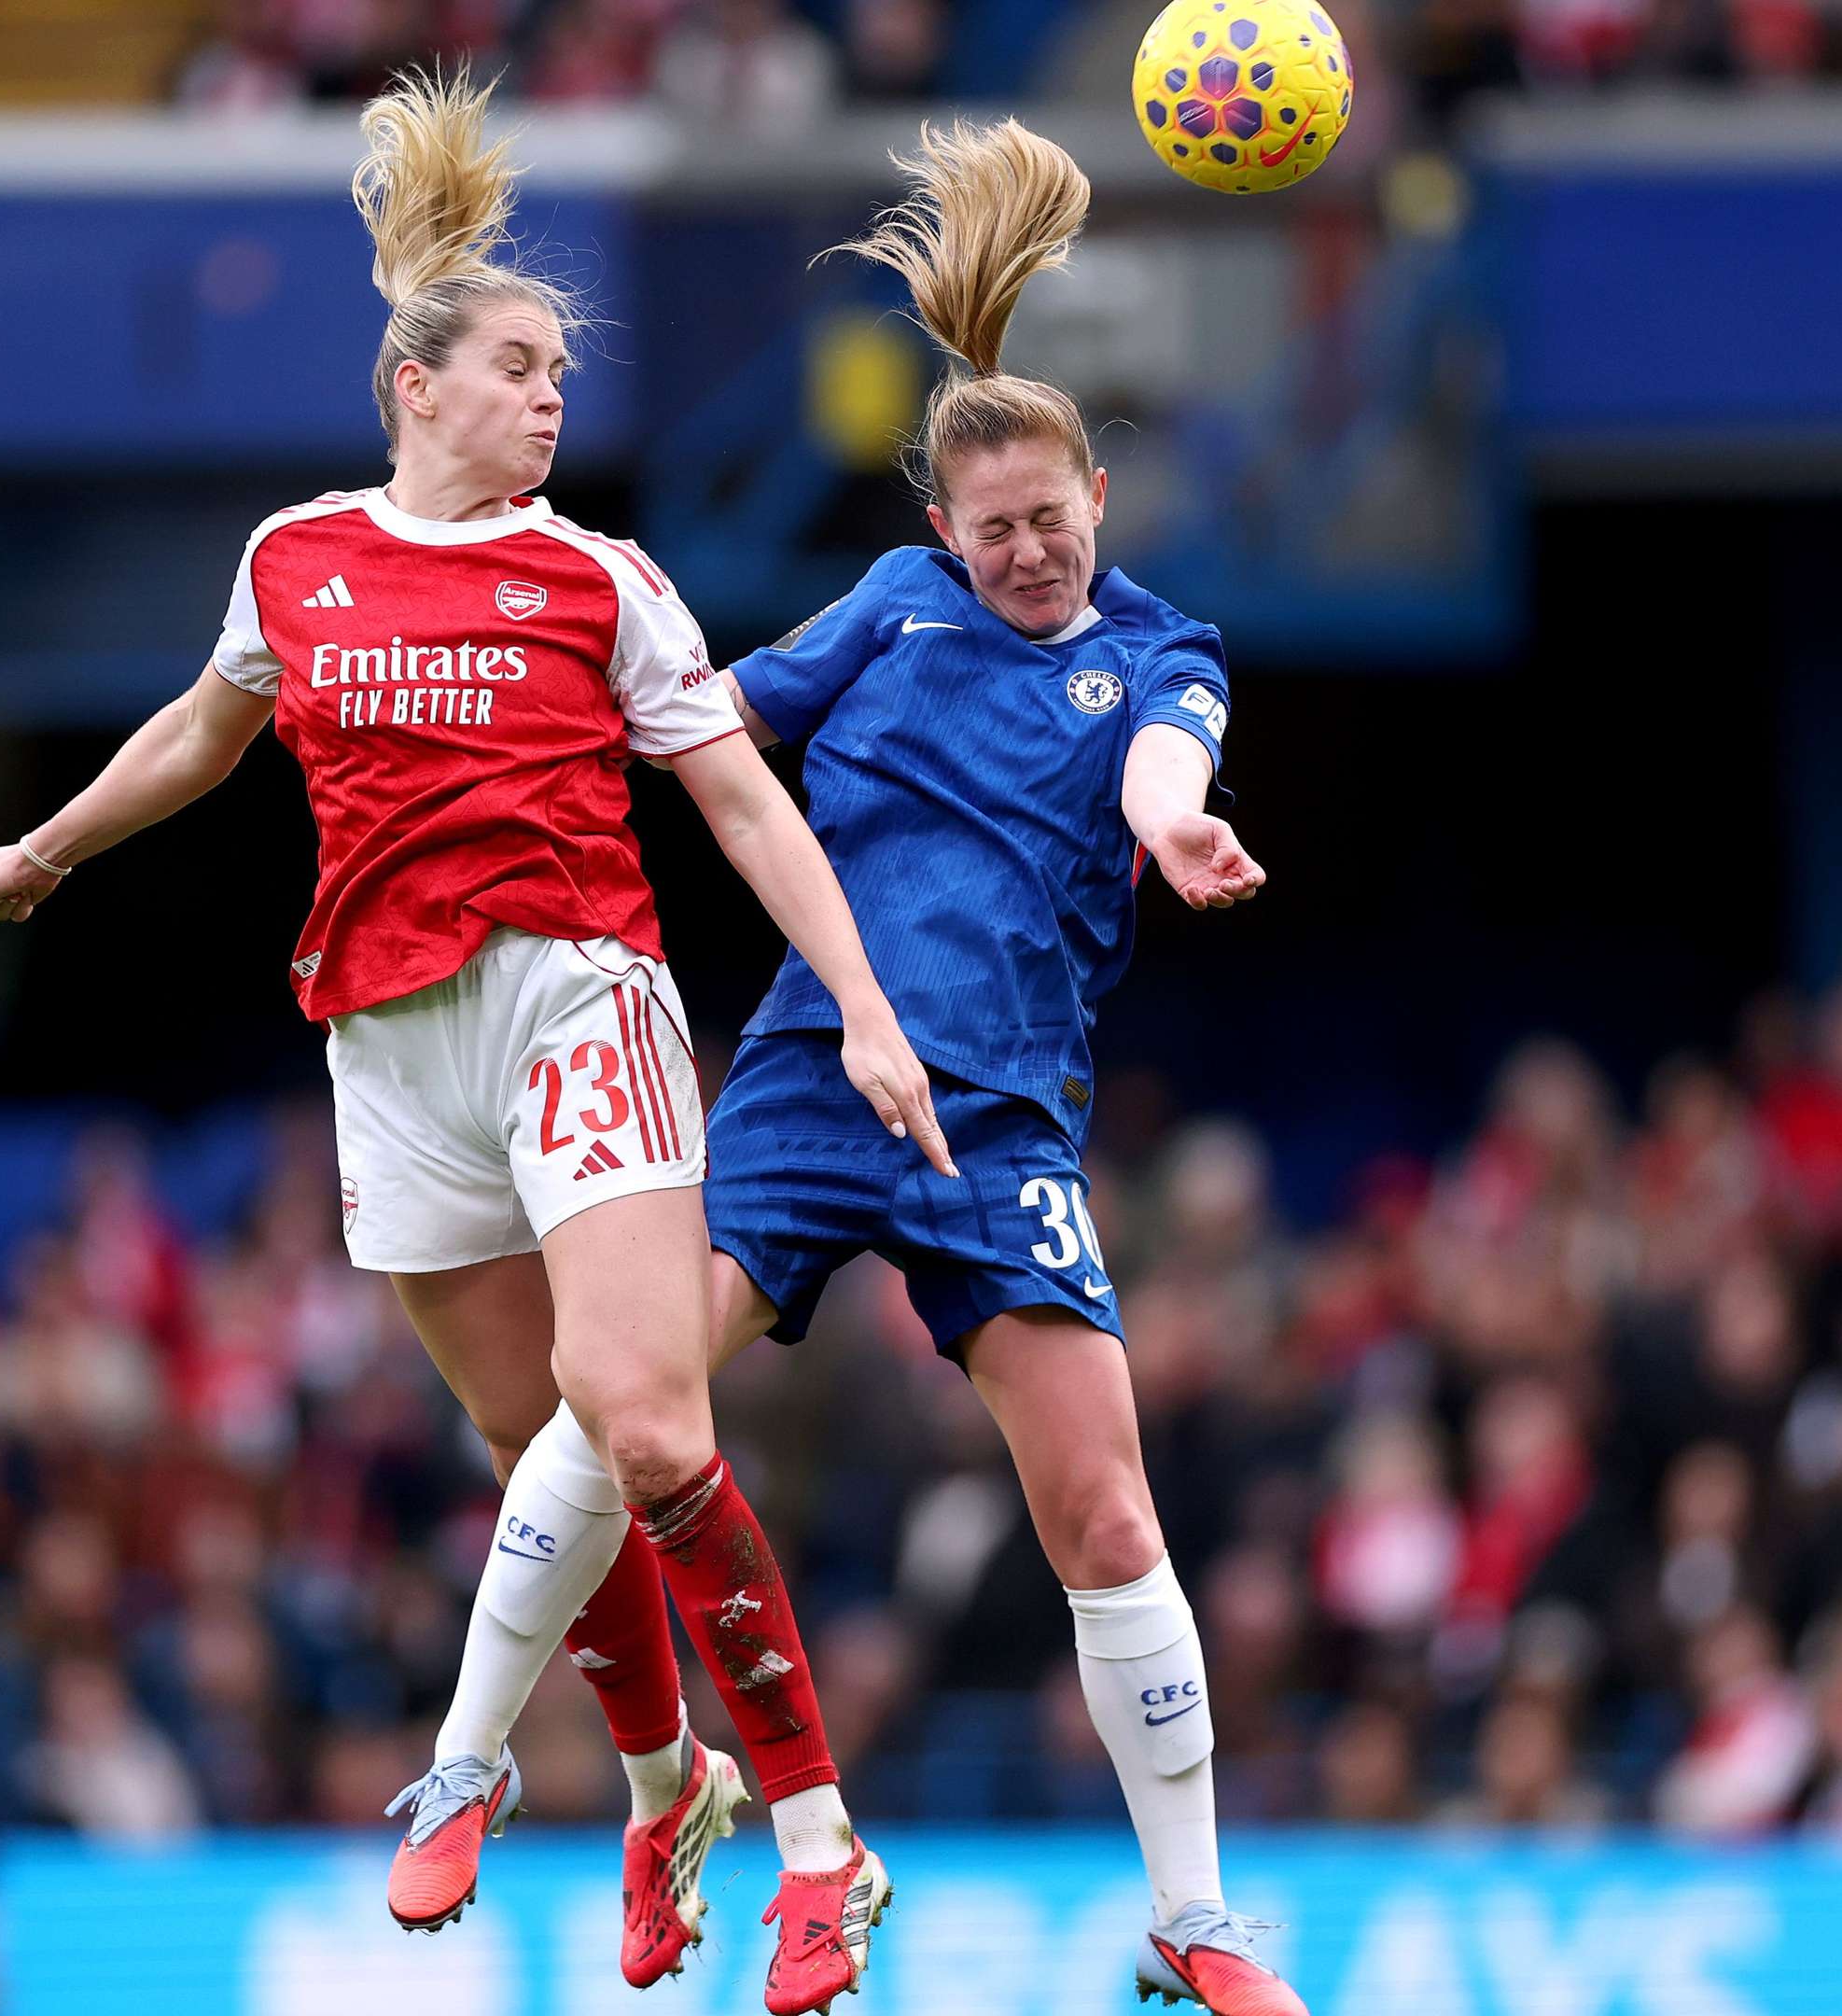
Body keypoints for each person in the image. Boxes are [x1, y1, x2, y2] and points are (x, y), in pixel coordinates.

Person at [0, 71, 938, 2016]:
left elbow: (744, 803)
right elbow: (202, 736)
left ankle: (823, 1846)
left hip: (579, 997)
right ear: (417, 385)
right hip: (389, 1047)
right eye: (518, 367)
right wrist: (44, 851)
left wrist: (868, 1011)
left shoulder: (601, 579)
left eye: (561, 374)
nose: (553, 399)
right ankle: (665, 1786)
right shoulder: (296, 561)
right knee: (532, 1455)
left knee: (645, 1423)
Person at [457, 118, 1298, 2014]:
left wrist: (1176, 826)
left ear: (1098, 493)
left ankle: (1193, 1916)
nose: (1026, 550)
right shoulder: (888, 612)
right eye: (990, 529)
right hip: (807, 1084)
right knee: (630, 1397)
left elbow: (1168, 761)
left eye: (1050, 517)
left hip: (1002, 1126)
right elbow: (704, 724)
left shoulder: (1165, 656)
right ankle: (483, 1757)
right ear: (944, 532)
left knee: (1105, 1514)